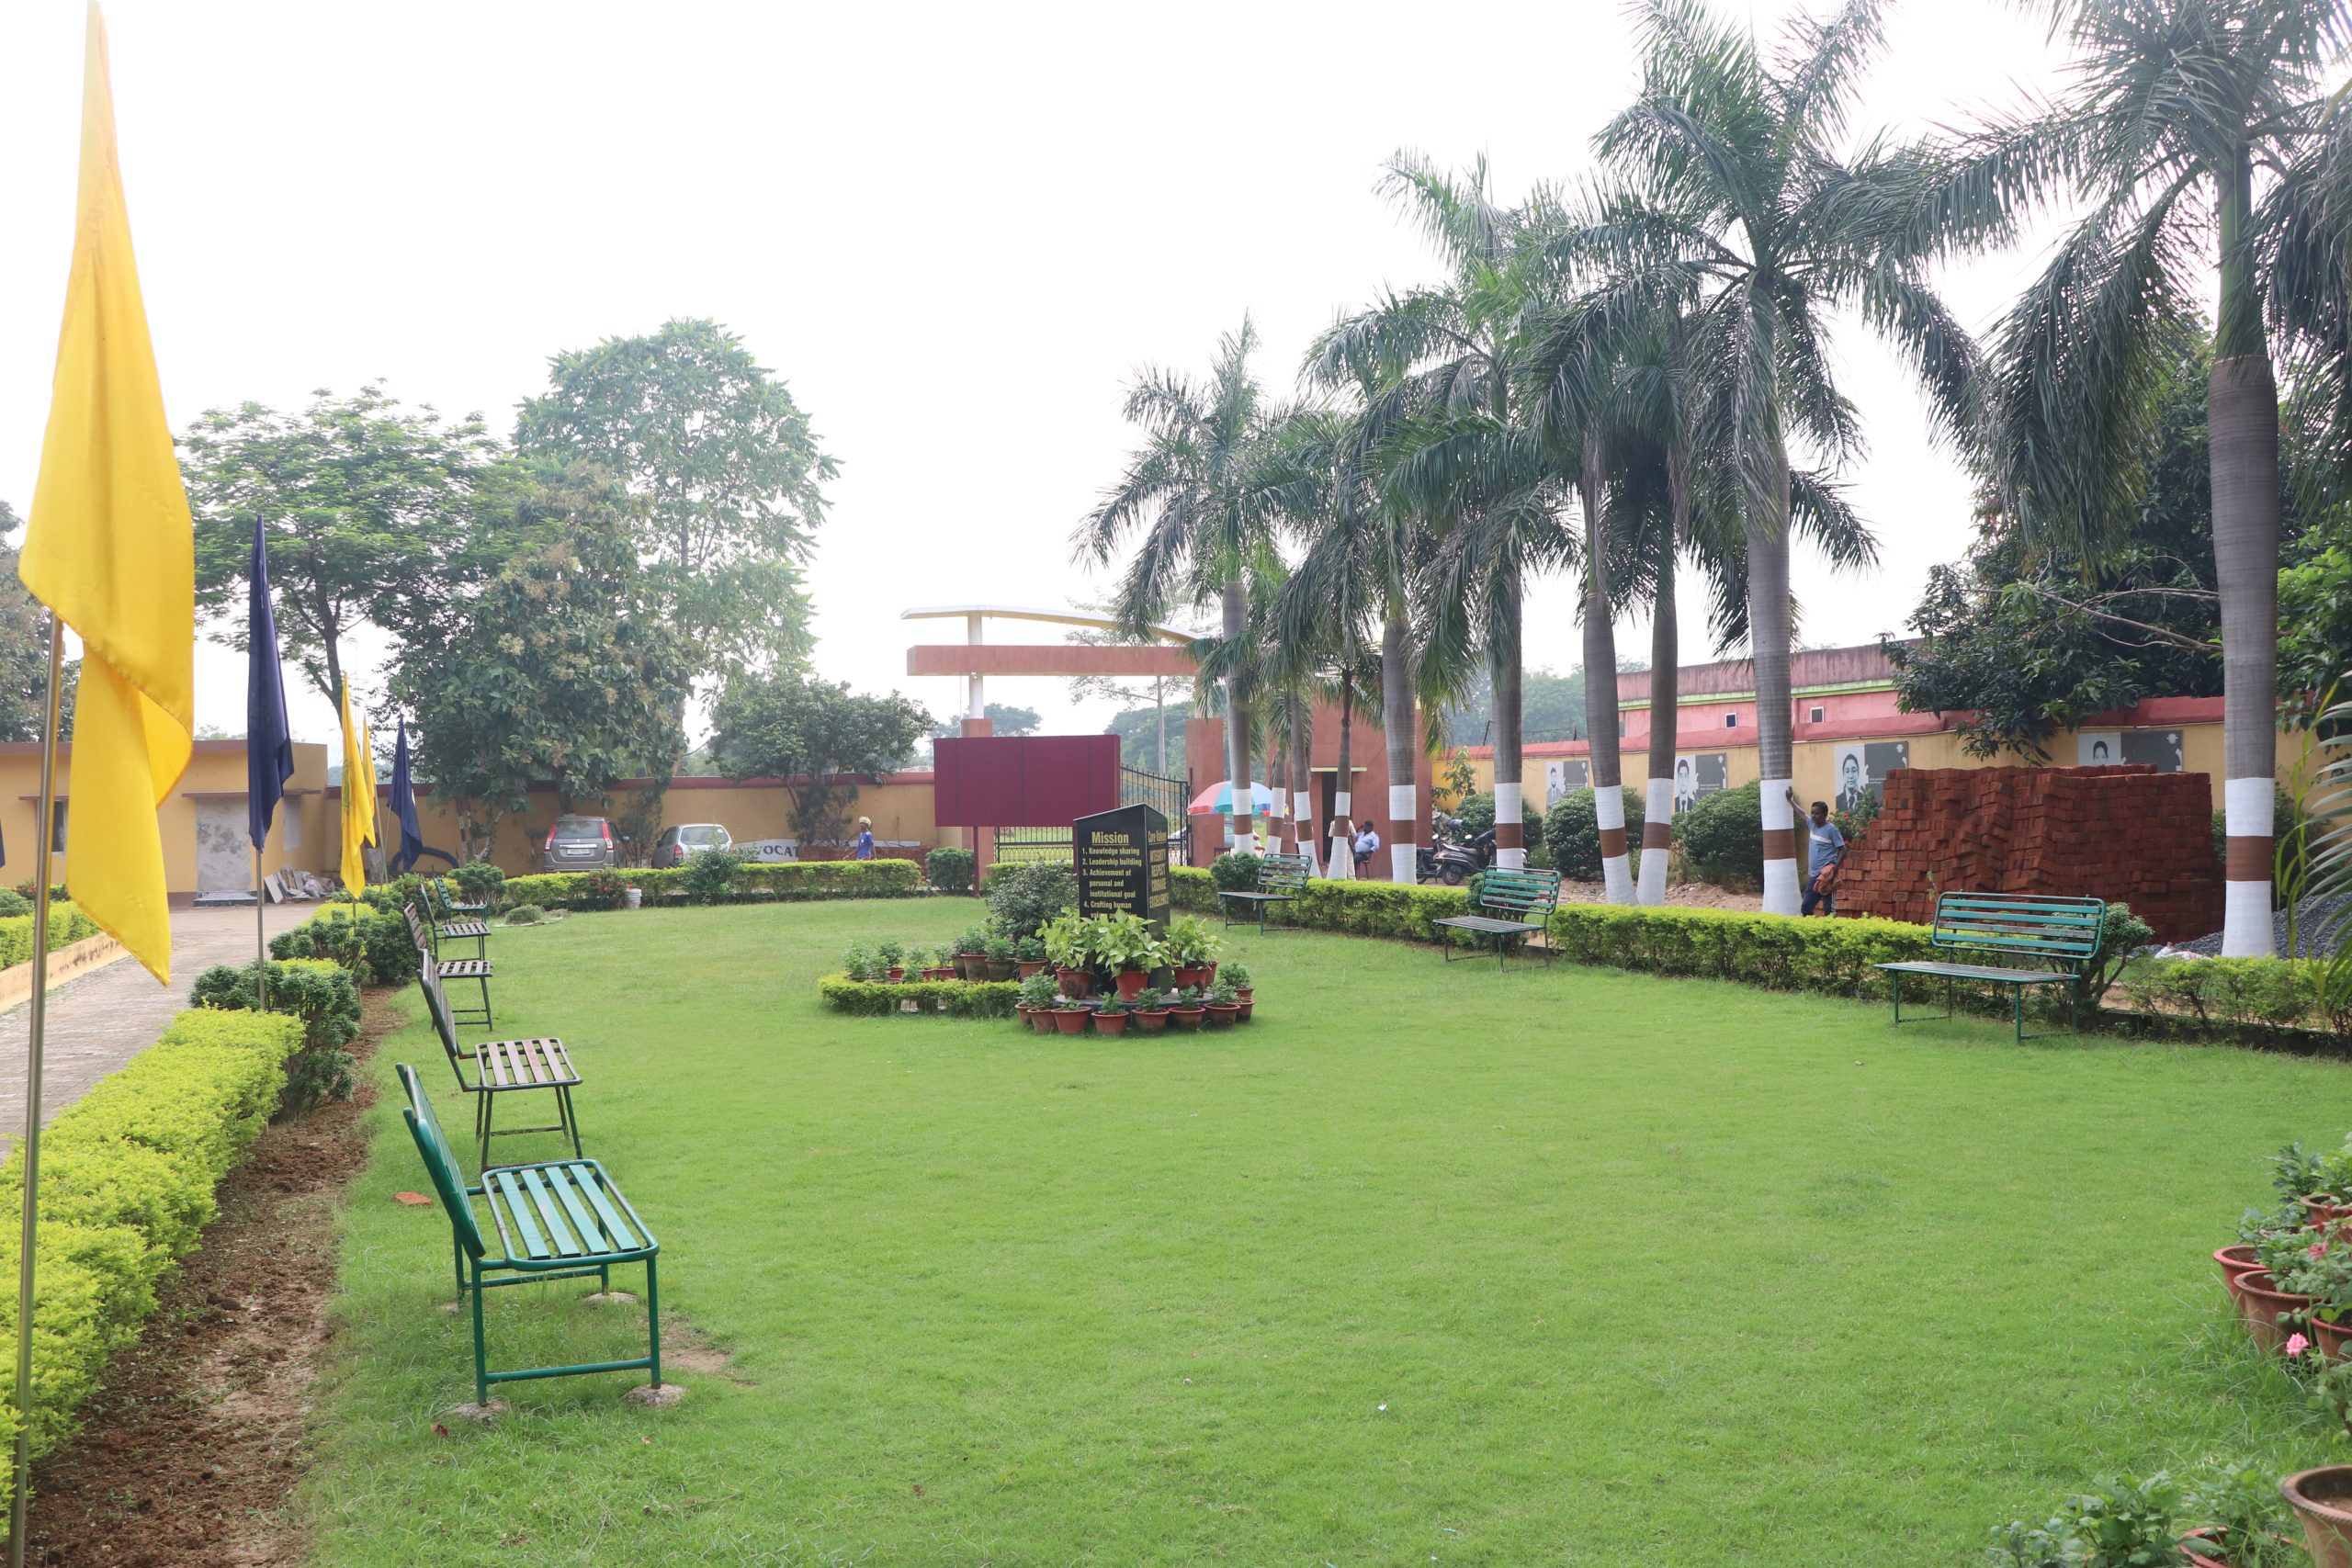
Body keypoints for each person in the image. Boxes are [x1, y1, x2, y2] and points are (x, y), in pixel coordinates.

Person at [1789, 788, 1844, 916]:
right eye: (1812, 813)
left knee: (1829, 911)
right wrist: (1790, 801)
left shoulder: (1831, 830)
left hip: (1826, 876)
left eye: (1817, 813)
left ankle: (1831, 928)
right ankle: (1812, 928)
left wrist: (1834, 869)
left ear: (1824, 814)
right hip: (1814, 876)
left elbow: (1843, 850)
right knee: (1806, 907)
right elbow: (1802, 814)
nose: (1813, 816)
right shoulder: (1812, 825)